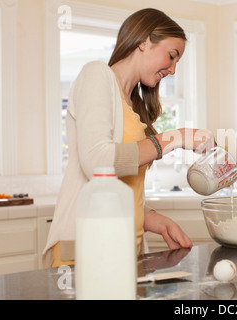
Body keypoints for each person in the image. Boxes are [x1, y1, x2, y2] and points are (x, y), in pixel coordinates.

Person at [43, 8, 215, 268]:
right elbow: (98, 163)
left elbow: (119, 190)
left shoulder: (132, 106)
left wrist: (153, 219)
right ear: (144, 41)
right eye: (171, 56)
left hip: (123, 250)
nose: (173, 70)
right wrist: (176, 138)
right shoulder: (96, 75)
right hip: (85, 250)